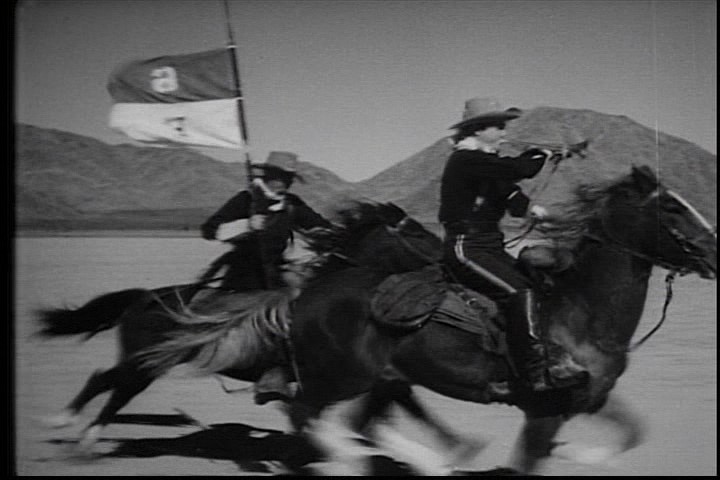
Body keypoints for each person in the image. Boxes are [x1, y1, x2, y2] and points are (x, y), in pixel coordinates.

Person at [439, 97, 588, 392]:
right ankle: (535, 374)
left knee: (539, 284)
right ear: (478, 129)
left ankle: (543, 353)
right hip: (465, 248)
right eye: (498, 127)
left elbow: (513, 198)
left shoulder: (487, 165)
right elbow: (520, 168)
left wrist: (536, 211)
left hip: (490, 246)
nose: (504, 133)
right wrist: (540, 154)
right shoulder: (466, 160)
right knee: (519, 291)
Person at [200, 150, 333, 404]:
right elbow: (209, 229)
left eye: (289, 178)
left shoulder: (291, 204)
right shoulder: (246, 200)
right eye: (280, 177)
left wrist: (330, 234)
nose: (284, 183)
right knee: (280, 312)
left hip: (276, 273)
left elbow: (321, 226)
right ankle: (271, 375)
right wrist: (246, 225)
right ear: (268, 175)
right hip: (244, 275)